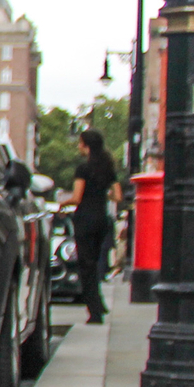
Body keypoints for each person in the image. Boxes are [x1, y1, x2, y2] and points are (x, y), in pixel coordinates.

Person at [67, 129, 121, 325]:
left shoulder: (83, 169)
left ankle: (95, 311)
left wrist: (63, 204)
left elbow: (76, 197)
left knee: (86, 266)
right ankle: (99, 303)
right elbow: (118, 195)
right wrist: (102, 195)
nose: (79, 147)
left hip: (85, 220)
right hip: (101, 219)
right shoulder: (108, 168)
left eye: (80, 143)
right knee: (96, 263)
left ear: (86, 146)